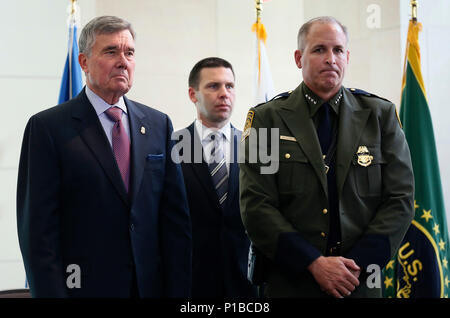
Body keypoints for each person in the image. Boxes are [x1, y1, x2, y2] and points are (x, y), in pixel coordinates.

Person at [239, 16, 414, 298]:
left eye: (338, 50)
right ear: (299, 58)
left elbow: (400, 199)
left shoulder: (380, 116)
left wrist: (355, 267)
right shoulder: (267, 119)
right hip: (293, 282)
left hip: (359, 283)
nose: (330, 58)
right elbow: (256, 205)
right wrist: (313, 263)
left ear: (347, 57)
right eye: (319, 49)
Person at [16, 16, 192, 298]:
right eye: (111, 51)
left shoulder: (159, 125)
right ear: (83, 62)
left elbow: (175, 225)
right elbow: (38, 235)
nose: (123, 61)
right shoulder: (48, 128)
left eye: (130, 53)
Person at [174, 57, 257, 298]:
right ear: (193, 94)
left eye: (229, 86)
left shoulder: (256, 147)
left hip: (246, 284)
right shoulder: (170, 147)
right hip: (191, 283)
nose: (224, 94)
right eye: (213, 86)